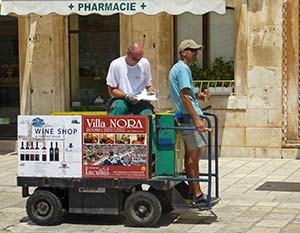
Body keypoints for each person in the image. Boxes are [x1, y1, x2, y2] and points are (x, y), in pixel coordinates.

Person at [169, 39, 207, 206]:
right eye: (192, 50)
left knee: (193, 154)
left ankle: (192, 191)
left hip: (187, 116)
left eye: (196, 50)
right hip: (189, 118)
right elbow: (184, 96)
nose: (195, 53)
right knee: (193, 154)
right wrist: (197, 119)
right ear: (183, 52)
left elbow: (185, 94)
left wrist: (197, 96)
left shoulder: (178, 68)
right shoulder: (183, 69)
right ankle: (197, 194)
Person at [106, 42, 155, 116]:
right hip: (121, 99)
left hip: (140, 100)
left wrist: (152, 92)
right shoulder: (116, 65)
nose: (137, 61)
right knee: (119, 108)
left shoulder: (144, 63)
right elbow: (112, 90)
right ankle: (113, 127)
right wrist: (126, 96)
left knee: (147, 114)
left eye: (139, 58)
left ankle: (149, 127)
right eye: (135, 59)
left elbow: (149, 84)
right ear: (128, 53)